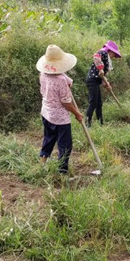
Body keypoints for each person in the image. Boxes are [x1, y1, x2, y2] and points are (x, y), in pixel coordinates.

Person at [36, 44, 83, 174]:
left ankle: (42, 164)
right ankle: (62, 173)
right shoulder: (61, 79)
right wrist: (77, 113)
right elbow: (66, 102)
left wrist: (68, 83)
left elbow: (63, 80)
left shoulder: (43, 74)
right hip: (60, 118)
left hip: (46, 113)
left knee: (48, 139)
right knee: (65, 145)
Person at [85, 40, 122, 127]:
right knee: (93, 102)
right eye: (114, 54)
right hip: (92, 80)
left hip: (96, 81)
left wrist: (106, 85)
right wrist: (101, 68)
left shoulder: (106, 57)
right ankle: (87, 123)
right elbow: (96, 56)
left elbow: (102, 77)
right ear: (110, 51)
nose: (113, 56)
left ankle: (100, 123)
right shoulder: (103, 53)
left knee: (99, 103)